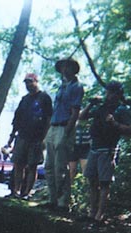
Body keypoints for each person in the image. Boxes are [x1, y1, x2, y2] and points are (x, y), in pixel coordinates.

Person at [79, 81, 131, 224]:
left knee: (104, 183)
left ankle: (99, 216)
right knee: (92, 181)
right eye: (107, 92)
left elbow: (129, 130)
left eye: (111, 92)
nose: (108, 95)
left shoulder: (122, 109)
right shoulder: (102, 108)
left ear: (118, 94)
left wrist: (114, 123)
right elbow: (82, 117)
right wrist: (91, 104)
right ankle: (92, 213)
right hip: (95, 148)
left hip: (108, 150)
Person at [43, 58, 84, 212]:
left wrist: (67, 132)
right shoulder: (62, 86)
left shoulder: (76, 87)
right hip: (53, 127)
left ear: (73, 69)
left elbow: (75, 112)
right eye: (62, 67)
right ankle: (52, 199)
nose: (64, 70)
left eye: (67, 67)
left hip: (64, 127)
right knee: (49, 166)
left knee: (60, 166)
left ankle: (62, 203)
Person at [7, 73, 53, 199]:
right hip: (22, 136)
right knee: (18, 164)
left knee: (32, 165)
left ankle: (27, 192)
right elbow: (17, 118)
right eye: (26, 83)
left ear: (36, 82)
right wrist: (11, 136)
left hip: (37, 137)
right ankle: (16, 191)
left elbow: (49, 118)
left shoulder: (44, 98)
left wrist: (45, 137)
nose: (28, 85)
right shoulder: (24, 99)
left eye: (30, 82)